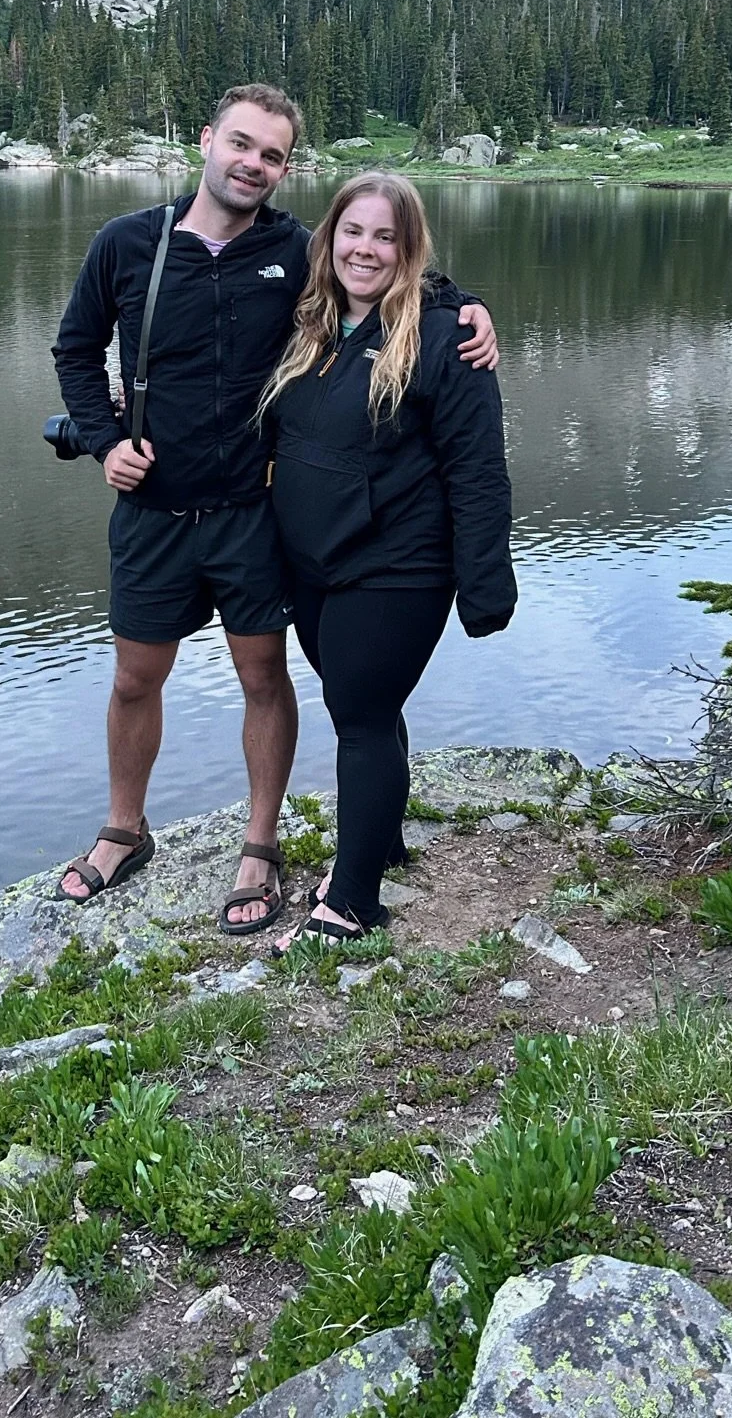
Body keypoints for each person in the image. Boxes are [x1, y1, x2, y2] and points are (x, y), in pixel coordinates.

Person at [50, 85, 499, 932]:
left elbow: (388, 270)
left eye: (273, 155)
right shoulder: (127, 244)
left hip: (254, 517)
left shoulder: (295, 248)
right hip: (152, 514)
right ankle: (123, 828)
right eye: (242, 144)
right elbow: (75, 349)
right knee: (134, 677)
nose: (253, 164)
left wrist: (467, 305)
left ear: (286, 168)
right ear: (206, 139)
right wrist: (107, 439)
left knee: (264, 677)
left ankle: (261, 845)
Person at [260, 171, 516, 945]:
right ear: (329, 236)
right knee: (363, 702)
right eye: (353, 231)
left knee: (361, 716)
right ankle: (386, 839)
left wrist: (485, 587)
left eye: (386, 237)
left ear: (409, 251)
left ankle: (354, 898)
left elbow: (477, 470)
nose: (365, 249)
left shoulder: (446, 336)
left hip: (399, 567)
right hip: (315, 566)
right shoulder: (308, 324)